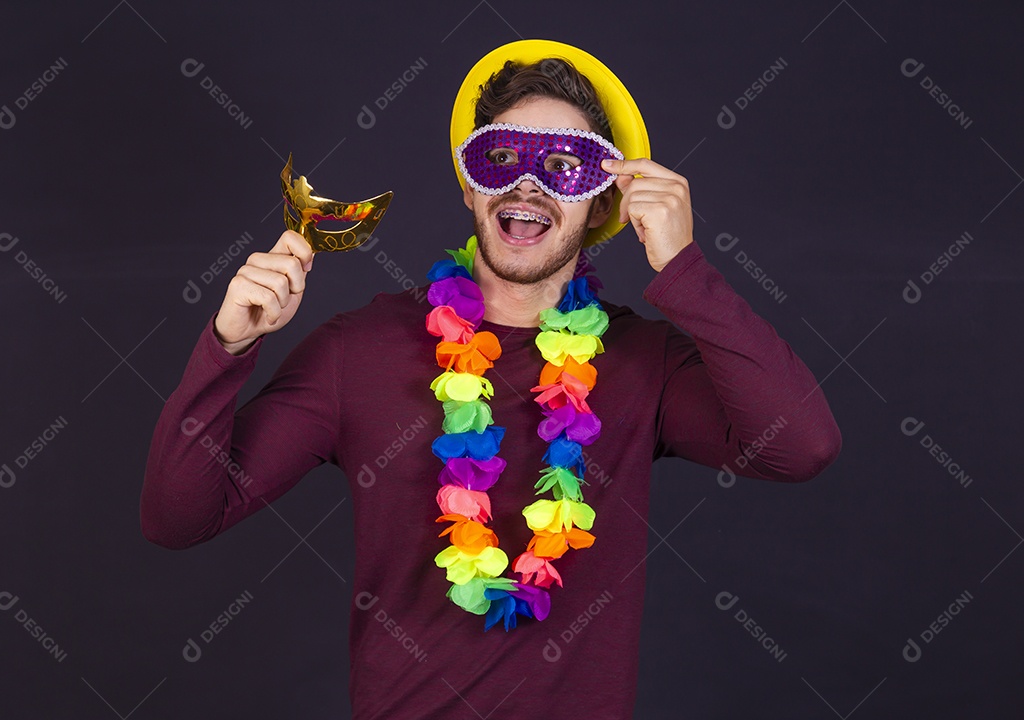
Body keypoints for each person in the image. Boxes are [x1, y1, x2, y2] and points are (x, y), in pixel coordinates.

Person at [141, 39, 841, 720]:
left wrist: (684, 269)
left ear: (604, 203)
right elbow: (179, 519)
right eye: (500, 158)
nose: (527, 183)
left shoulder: (642, 362)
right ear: (470, 185)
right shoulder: (359, 350)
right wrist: (227, 346)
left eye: (566, 164)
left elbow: (800, 445)